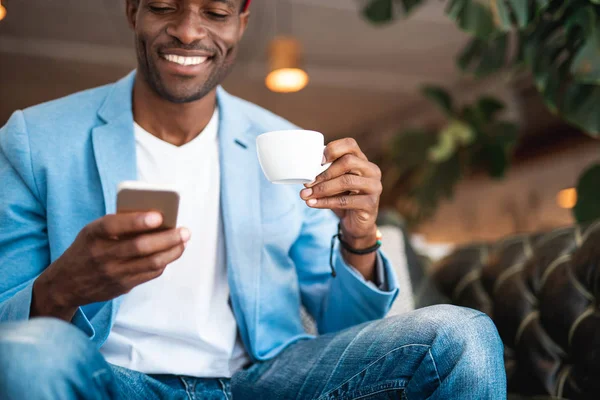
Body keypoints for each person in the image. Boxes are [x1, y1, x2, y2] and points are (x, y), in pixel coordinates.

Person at [0, 0, 506, 398]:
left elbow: (346, 328)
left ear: (241, 22)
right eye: (163, 7)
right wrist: (64, 286)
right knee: (28, 356)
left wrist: (358, 237)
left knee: (463, 336)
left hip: (260, 382)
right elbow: (9, 329)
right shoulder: (37, 138)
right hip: (113, 379)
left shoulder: (283, 142)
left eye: (215, 13)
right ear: (132, 10)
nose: (189, 31)